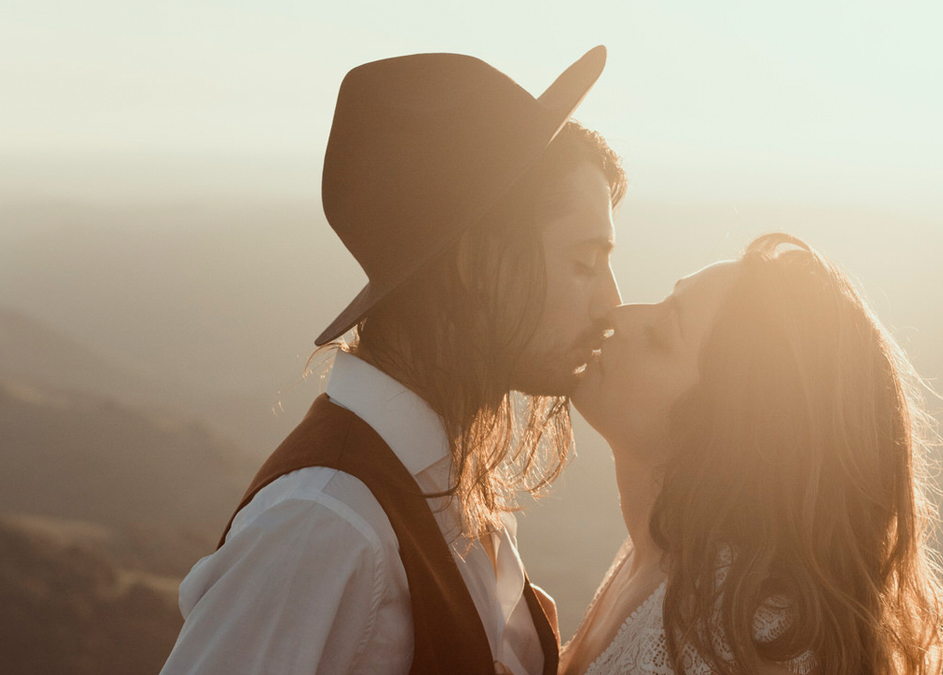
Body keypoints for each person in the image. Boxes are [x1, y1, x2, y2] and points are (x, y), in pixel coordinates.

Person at [160, 46, 626, 675]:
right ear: (477, 265)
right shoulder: (325, 526)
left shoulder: (448, 488)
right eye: (584, 262)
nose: (612, 304)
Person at [561, 233, 943, 675]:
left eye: (658, 336)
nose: (620, 315)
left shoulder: (741, 642)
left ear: (722, 429)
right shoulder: (659, 555)